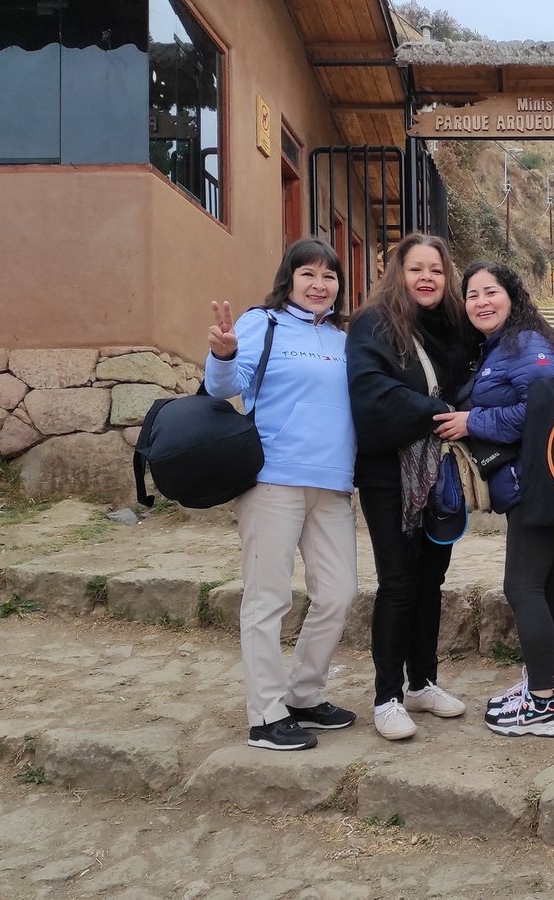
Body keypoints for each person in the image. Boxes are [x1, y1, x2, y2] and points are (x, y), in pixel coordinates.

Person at [205, 238, 358, 751]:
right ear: (289, 279)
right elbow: (223, 384)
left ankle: (305, 695)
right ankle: (266, 714)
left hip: (333, 484)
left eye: (329, 276)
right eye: (309, 274)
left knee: (338, 594)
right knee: (267, 598)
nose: (320, 285)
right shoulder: (261, 323)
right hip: (273, 479)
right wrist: (222, 354)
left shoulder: (343, 337)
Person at [347, 233, 478, 741]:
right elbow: (372, 391)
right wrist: (440, 412)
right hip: (388, 472)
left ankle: (422, 682)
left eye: (437, 270)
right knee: (399, 583)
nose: (427, 278)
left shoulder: (451, 328)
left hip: (438, 470)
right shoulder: (372, 324)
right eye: (417, 268)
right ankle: (386, 696)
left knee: (431, 581)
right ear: (397, 273)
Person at [430, 261, 554, 737]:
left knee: (522, 587)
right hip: (528, 480)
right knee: (542, 584)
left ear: (512, 296)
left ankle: (544, 705)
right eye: (472, 295)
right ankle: (543, 683)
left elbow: (543, 410)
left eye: (491, 292)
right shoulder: (501, 346)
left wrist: (471, 422)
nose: (481, 302)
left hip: (536, 480)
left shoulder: (527, 344)